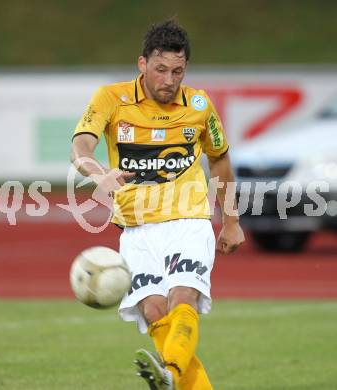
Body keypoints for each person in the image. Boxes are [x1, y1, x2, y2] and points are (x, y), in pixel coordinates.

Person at [71, 19, 244, 390]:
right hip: (136, 228)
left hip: (189, 219)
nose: (169, 79)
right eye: (161, 69)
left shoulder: (199, 105)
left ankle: (169, 374)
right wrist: (98, 172)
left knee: (184, 295)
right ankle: (174, 375)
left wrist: (231, 220)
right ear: (142, 64)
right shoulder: (110, 98)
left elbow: (220, 158)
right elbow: (80, 147)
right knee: (153, 311)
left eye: (177, 71)